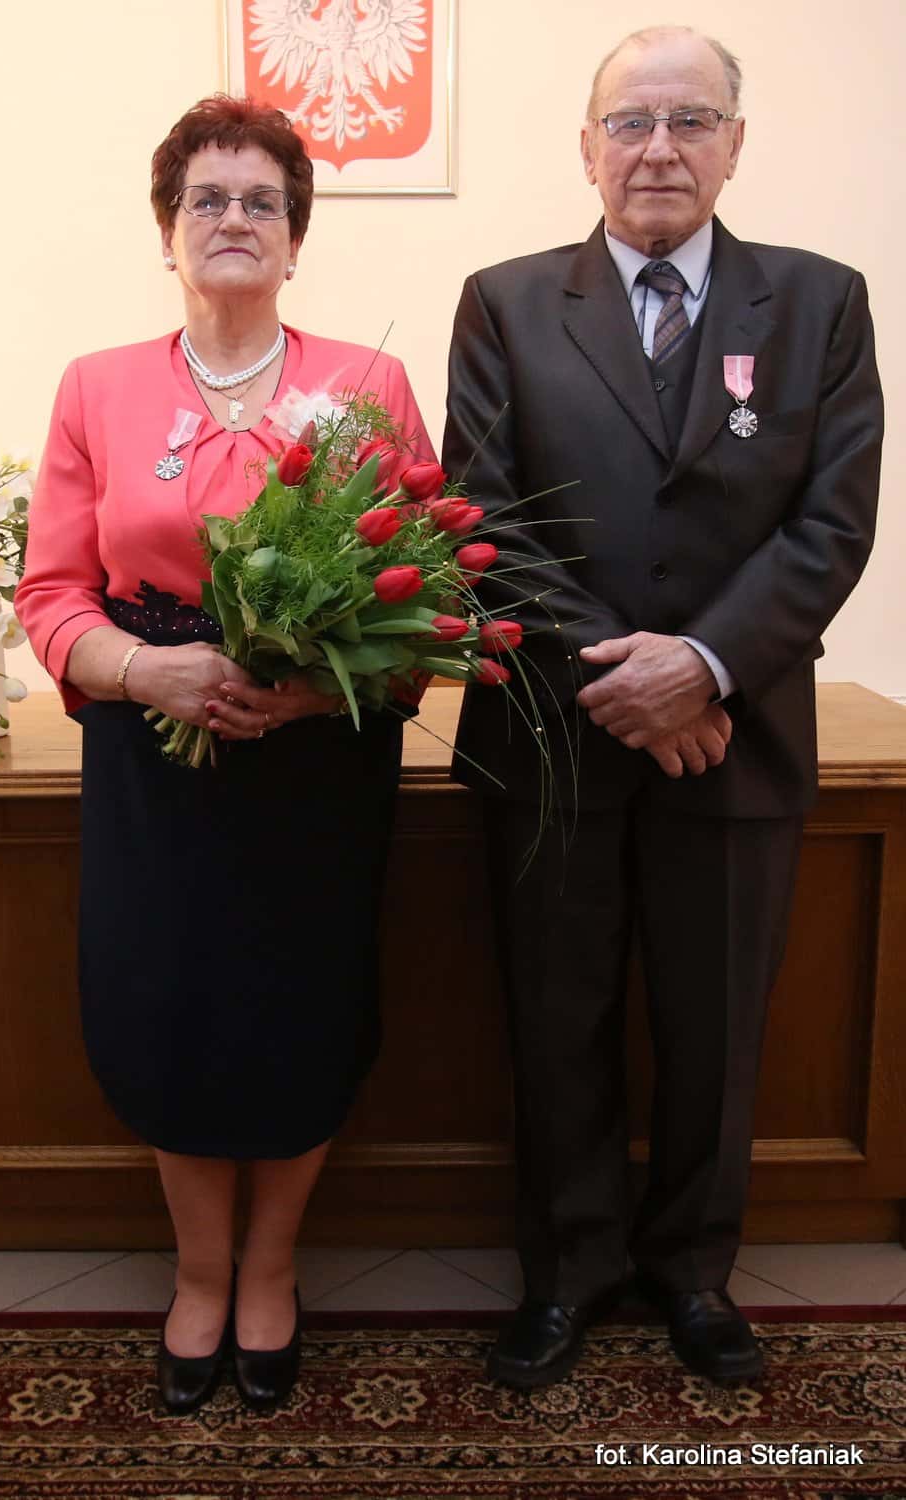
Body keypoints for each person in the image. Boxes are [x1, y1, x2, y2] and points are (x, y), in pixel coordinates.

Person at [443, 26, 882, 1388]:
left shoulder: (819, 302)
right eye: (630, 122)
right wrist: (632, 680)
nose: (659, 148)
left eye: (691, 120)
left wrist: (704, 664)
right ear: (586, 147)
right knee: (556, 1020)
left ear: (735, 144)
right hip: (553, 741)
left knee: (717, 1028)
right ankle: (567, 1273)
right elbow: (483, 520)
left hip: (736, 738)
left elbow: (832, 522)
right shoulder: (507, 302)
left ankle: (695, 1273)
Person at [15, 95, 435, 1416]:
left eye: (263, 201)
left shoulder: (367, 388)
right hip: (155, 767)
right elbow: (51, 595)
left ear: (297, 238)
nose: (235, 218)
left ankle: (272, 1268)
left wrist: (305, 692)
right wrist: (151, 672)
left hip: (317, 764)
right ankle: (200, 1272)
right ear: (168, 229)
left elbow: (425, 594)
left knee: (302, 1012)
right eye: (208, 198)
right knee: (173, 1014)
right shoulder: (96, 385)